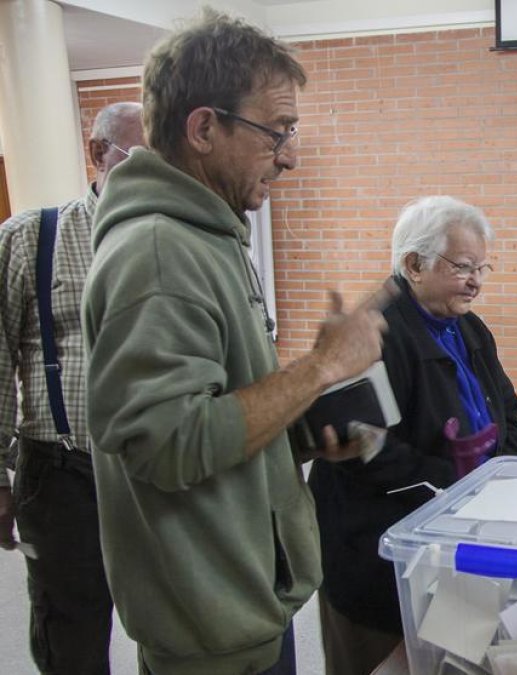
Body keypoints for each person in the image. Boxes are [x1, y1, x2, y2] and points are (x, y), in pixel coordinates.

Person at [82, 11, 390, 675]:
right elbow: (170, 443)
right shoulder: (161, 254)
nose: (290, 154)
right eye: (276, 131)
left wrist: (303, 434)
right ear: (203, 128)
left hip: (242, 599)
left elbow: (216, 405)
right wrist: (322, 366)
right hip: (207, 630)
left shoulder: (204, 236)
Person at [310, 195, 517, 675]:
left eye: (482, 267)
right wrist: (465, 489)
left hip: (456, 542)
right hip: (378, 559)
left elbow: (508, 409)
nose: (475, 281)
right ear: (413, 264)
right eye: (464, 266)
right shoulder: (372, 335)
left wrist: (505, 476)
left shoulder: (470, 328)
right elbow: (365, 448)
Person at [0, 101, 143, 675]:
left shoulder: (176, 242)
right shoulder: (32, 238)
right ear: (97, 153)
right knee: (72, 634)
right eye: (136, 161)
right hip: (63, 476)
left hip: (158, 471)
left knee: (175, 625)